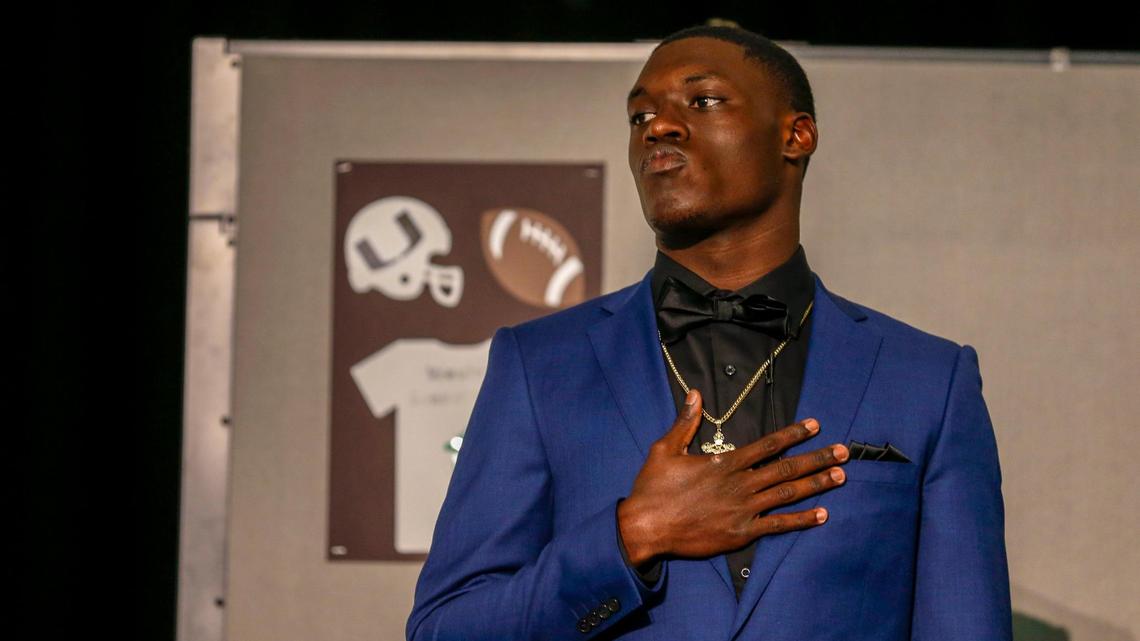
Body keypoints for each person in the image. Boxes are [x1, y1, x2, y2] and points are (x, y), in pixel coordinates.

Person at [406, 25, 1011, 641]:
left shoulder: (929, 380)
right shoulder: (539, 366)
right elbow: (445, 629)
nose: (658, 126)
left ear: (795, 136)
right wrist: (632, 535)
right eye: (640, 113)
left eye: (703, 101)